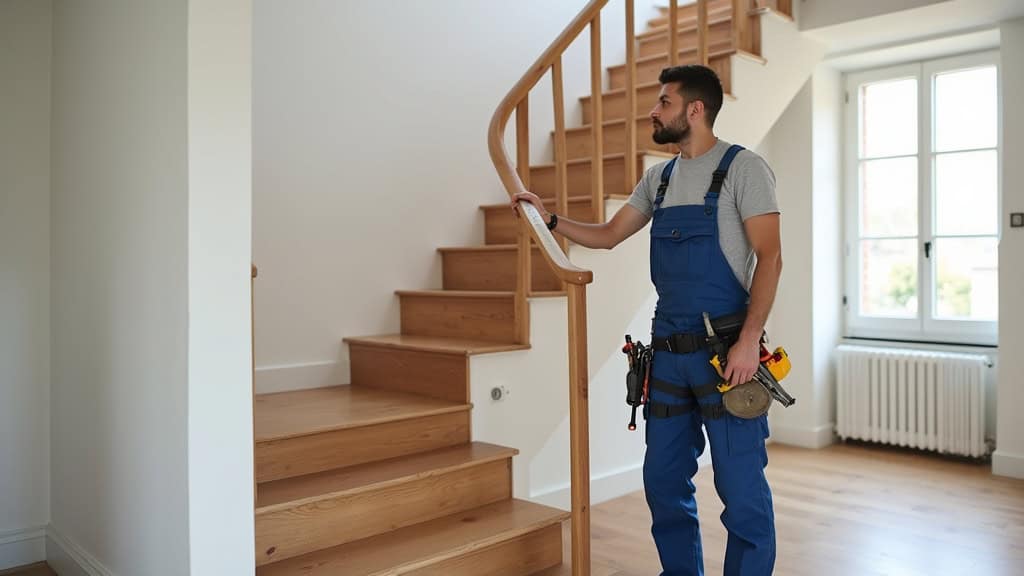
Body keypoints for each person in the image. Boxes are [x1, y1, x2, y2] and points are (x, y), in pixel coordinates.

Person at [511, 64, 782, 576]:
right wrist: (547, 219)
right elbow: (609, 235)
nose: (653, 112)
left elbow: (771, 258)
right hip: (668, 358)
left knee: (741, 489)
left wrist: (749, 343)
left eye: (663, 102)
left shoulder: (744, 169)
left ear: (694, 110)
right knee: (662, 482)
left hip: (727, 357)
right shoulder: (659, 178)